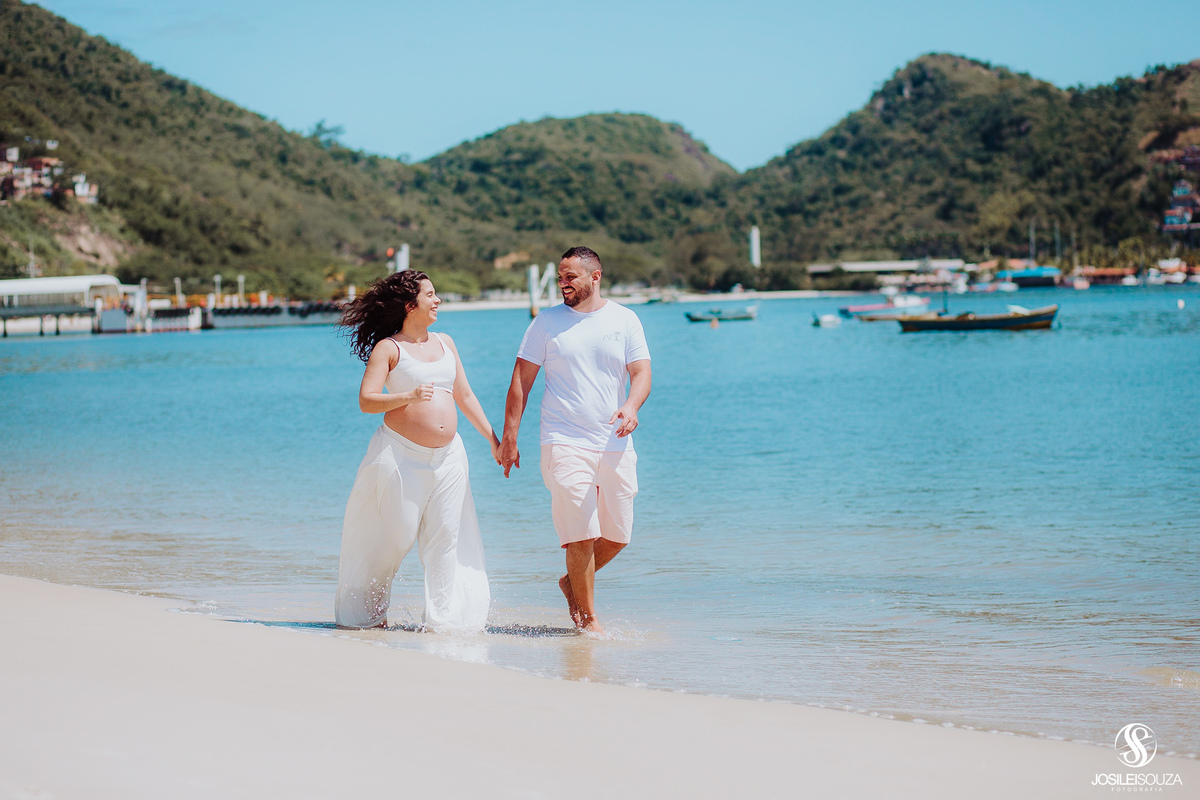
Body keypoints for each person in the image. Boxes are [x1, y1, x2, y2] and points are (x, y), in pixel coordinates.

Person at [335, 270, 501, 632]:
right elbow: (366, 401)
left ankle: (445, 624)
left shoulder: (446, 343)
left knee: (445, 539)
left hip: (449, 458)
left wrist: (494, 439)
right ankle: (368, 615)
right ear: (411, 305)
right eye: (431, 294)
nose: (437, 300)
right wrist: (407, 396)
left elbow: (465, 395)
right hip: (401, 455)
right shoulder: (388, 348)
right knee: (398, 537)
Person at [500, 246, 651, 634]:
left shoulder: (625, 319)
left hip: (614, 441)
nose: (563, 284)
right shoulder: (546, 323)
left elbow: (641, 373)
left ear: (595, 276)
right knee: (581, 533)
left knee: (617, 536)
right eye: (561, 277)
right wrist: (510, 438)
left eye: (571, 277)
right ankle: (588, 623)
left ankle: (572, 582)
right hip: (562, 440)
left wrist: (632, 407)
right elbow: (521, 381)